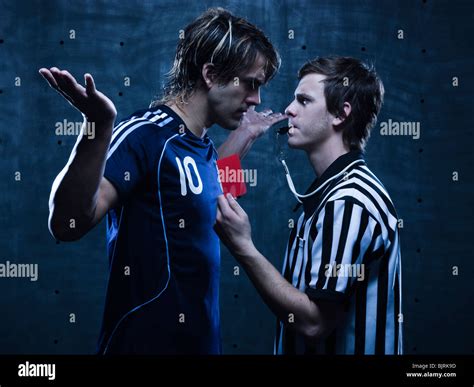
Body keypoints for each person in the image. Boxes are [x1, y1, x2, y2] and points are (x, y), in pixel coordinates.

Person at [39, 8, 286, 354]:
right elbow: (66, 225)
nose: (257, 99)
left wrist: (242, 140)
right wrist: (96, 127)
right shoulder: (145, 136)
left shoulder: (201, 146)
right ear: (211, 74)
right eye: (251, 83)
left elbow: (206, 198)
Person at [215, 56, 403, 355]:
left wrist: (244, 248)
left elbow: (314, 323)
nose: (288, 109)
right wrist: (242, 137)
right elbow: (216, 198)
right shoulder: (331, 193)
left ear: (340, 115)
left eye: (303, 101)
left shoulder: (348, 203)